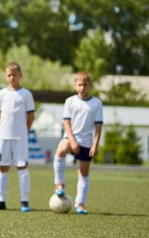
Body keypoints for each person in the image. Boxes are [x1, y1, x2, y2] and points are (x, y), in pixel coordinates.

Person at [0, 62, 35, 212]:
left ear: (20, 75)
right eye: (9, 75)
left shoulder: (26, 94)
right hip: (4, 136)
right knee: (3, 167)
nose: (11, 77)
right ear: (6, 76)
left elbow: (31, 115)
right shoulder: (1, 94)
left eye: (14, 74)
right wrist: (3, 128)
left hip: (20, 137)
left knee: (22, 166)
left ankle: (24, 201)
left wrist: (25, 131)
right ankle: (1, 200)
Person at [53, 71, 103, 214]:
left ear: (90, 86)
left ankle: (80, 204)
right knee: (61, 150)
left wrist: (95, 144)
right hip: (71, 138)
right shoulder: (70, 101)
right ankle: (59, 184)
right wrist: (73, 141)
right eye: (79, 85)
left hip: (87, 142)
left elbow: (98, 126)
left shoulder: (96, 103)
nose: (82, 88)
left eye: (85, 85)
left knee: (83, 174)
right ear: (75, 85)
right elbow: (66, 123)